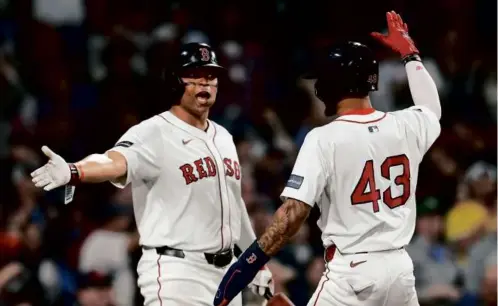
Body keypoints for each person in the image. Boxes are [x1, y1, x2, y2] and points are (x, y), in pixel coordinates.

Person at [213, 11, 442, 306]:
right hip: (399, 272)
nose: (318, 88)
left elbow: (293, 215)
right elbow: (431, 108)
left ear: (336, 83)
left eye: (322, 80)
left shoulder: (324, 138)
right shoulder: (406, 125)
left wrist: (246, 265)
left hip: (354, 275)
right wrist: (410, 54)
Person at [30, 42, 273, 305]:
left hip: (227, 274)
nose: (205, 83)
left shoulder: (224, 137)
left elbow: (235, 207)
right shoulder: (153, 132)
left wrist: (255, 262)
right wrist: (74, 170)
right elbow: (114, 161)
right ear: (173, 81)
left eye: (211, 75)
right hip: (177, 273)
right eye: (194, 75)